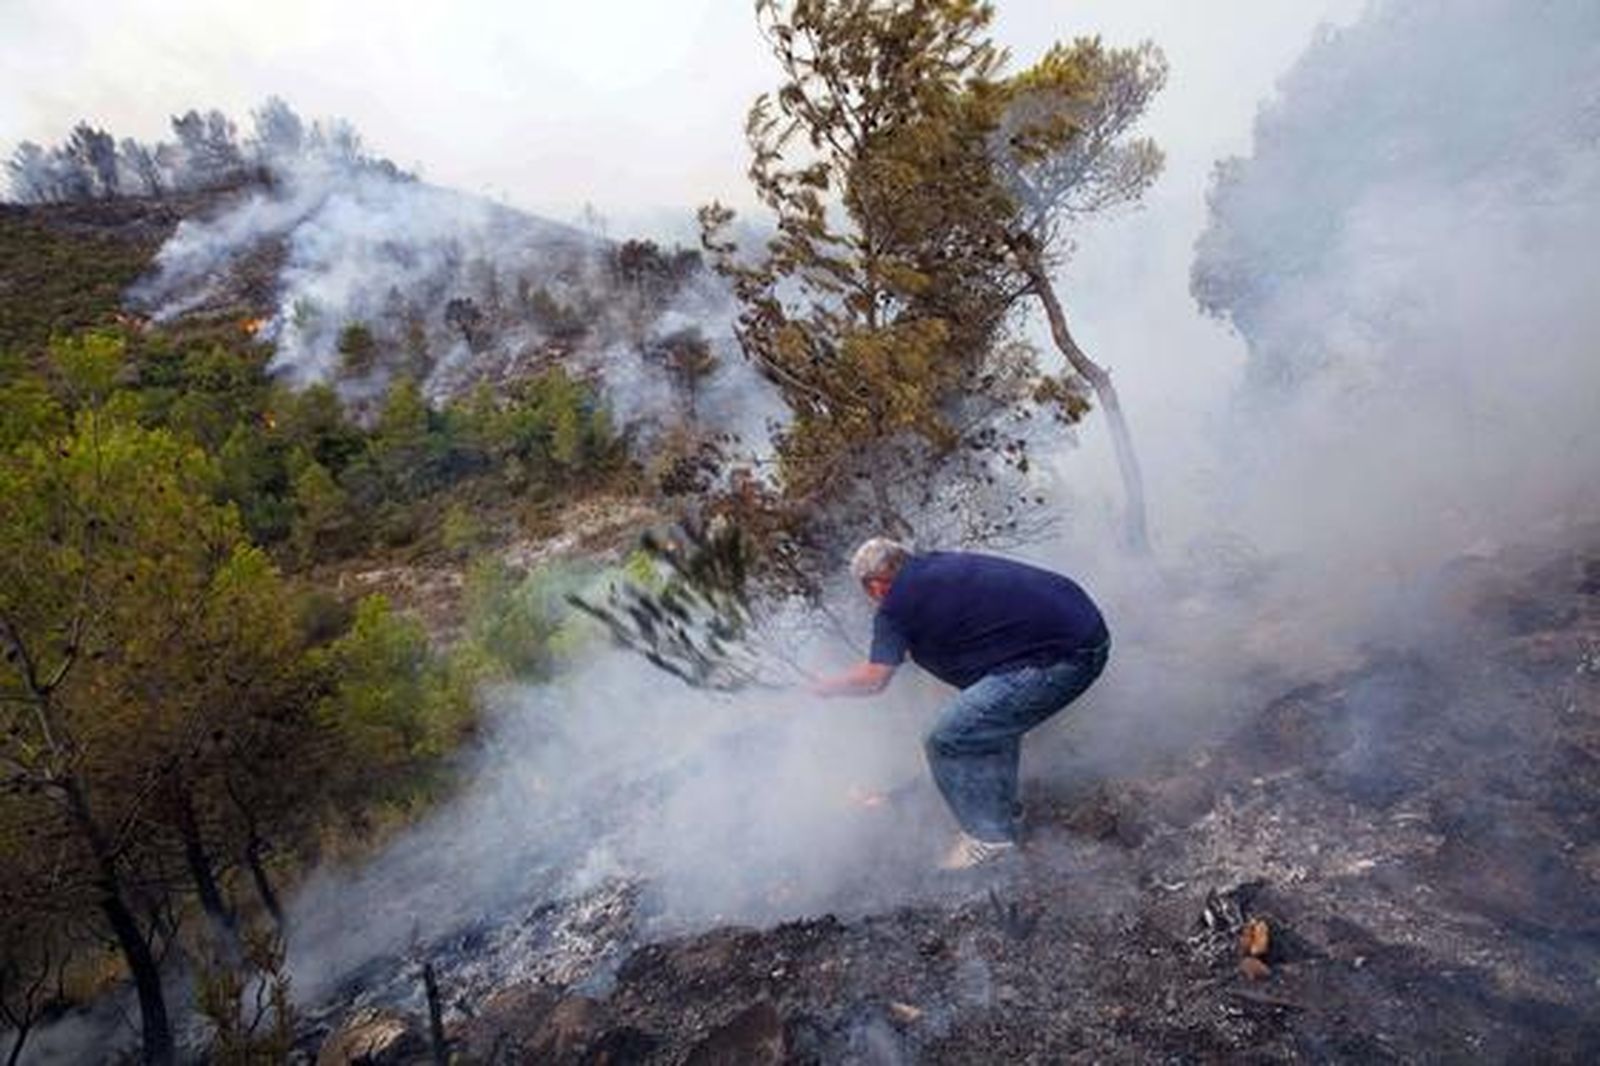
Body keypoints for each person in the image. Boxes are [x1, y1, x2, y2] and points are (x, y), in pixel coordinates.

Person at [810, 538, 1110, 869]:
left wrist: (826, 686)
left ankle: (987, 838)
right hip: (1088, 632)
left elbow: (875, 678)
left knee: (946, 737)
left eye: (868, 592)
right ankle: (1000, 814)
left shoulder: (896, 604)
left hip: (1062, 659)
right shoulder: (937, 566)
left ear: (876, 585)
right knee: (986, 726)